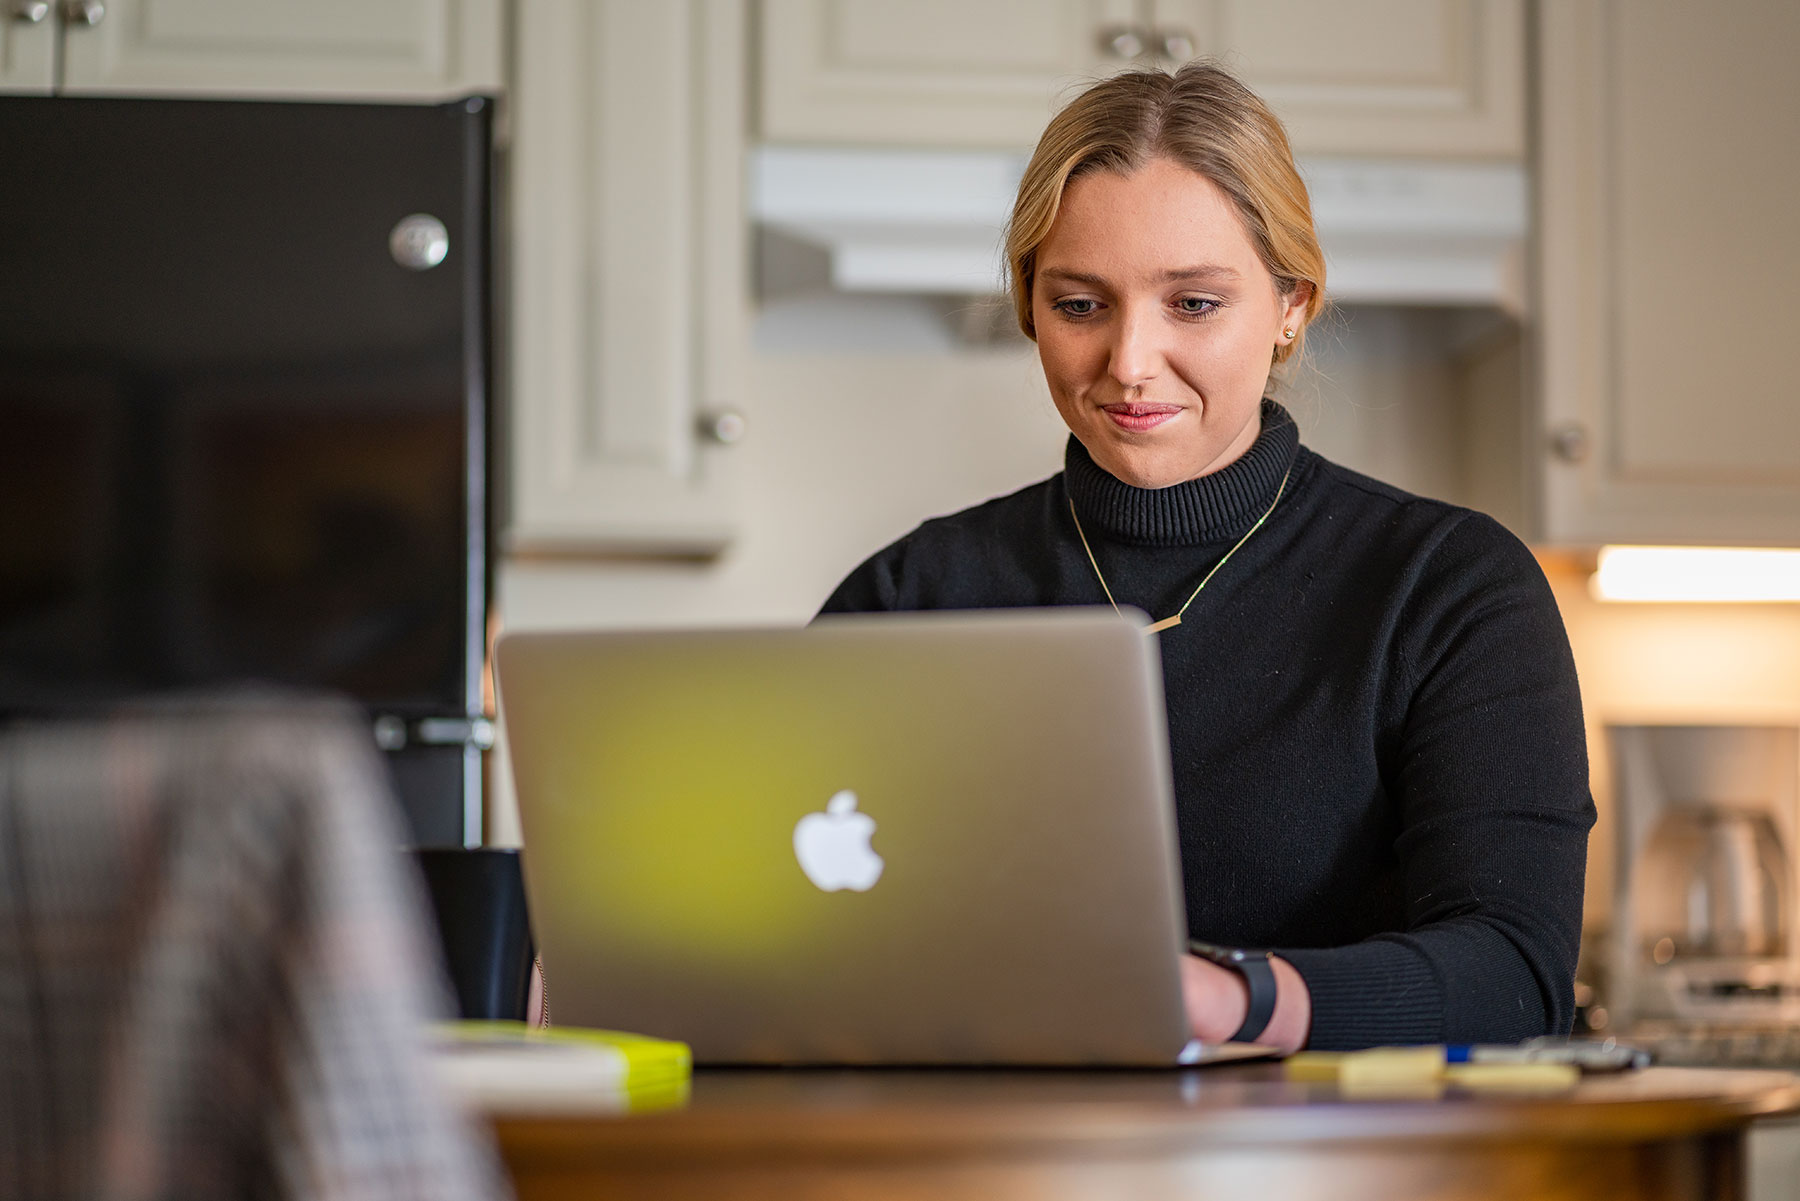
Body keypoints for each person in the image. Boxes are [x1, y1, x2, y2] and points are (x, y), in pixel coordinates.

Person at [818, 63, 1595, 1054]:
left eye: (1191, 303)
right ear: (1029, 305)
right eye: (1081, 304)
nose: (1130, 361)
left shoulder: (1448, 587)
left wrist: (1229, 996)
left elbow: (1513, 973)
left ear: (1289, 307)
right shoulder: (911, 596)